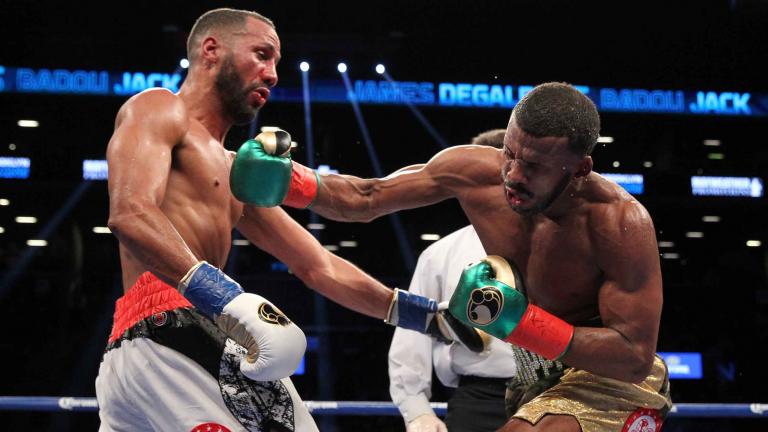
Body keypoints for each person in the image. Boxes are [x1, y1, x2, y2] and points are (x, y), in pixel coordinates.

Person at [96, 8, 484, 432]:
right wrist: (226, 296)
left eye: (276, 62)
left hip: (160, 343)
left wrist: (428, 317)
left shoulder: (236, 171)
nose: (273, 74)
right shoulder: (158, 107)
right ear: (211, 50)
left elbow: (319, 265)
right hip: (170, 330)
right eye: (262, 55)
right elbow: (130, 212)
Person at [235, 82, 673, 431]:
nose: (513, 176)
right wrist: (293, 183)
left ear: (579, 169)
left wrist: (520, 324)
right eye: (510, 154)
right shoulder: (473, 172)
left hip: (609, 383)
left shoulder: (618, 224)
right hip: (531, 382)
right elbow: (367, 197)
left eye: (534, 166)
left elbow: (634, 356)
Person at [390, 224, 518, 432]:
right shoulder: (442, 253)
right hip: (478, 403)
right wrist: (418, 411)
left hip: (560, 394)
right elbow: (411, 338)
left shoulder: (568, 242)